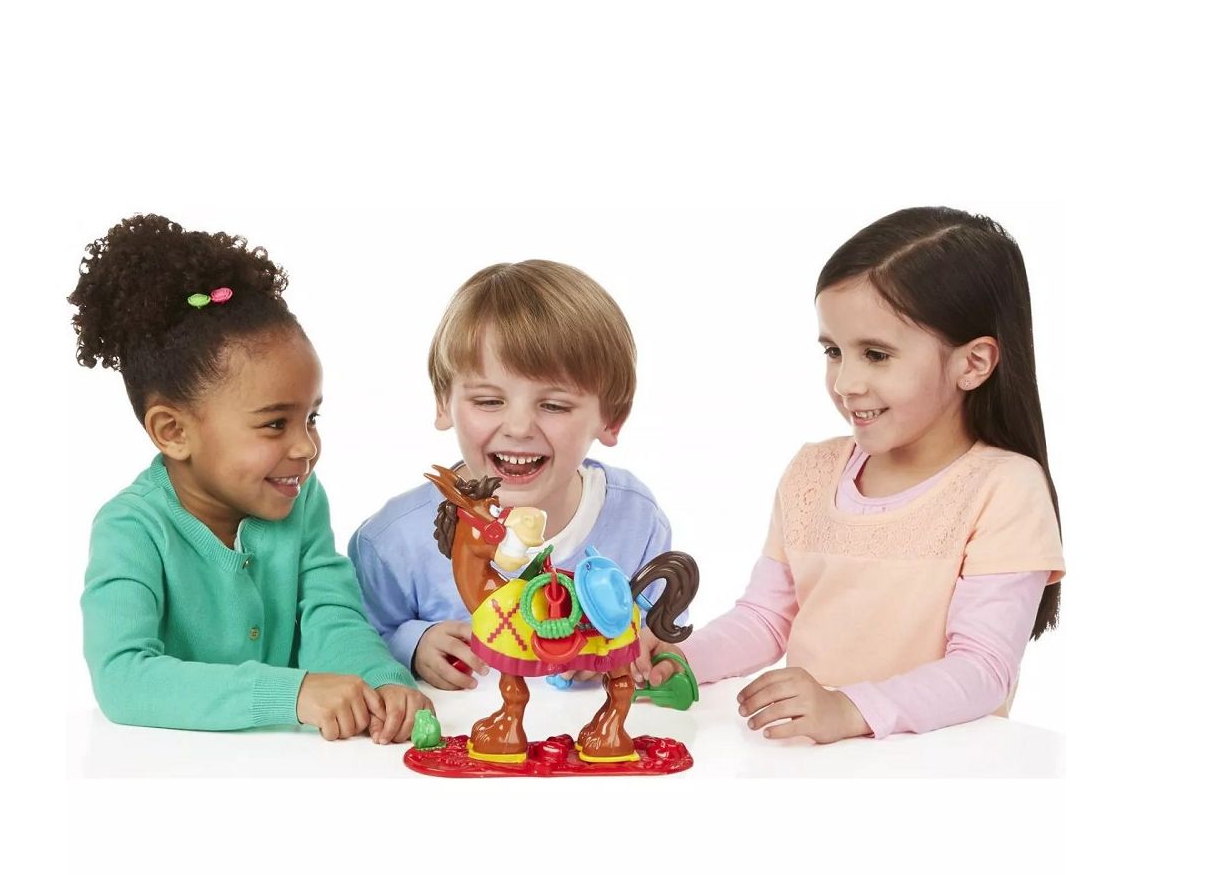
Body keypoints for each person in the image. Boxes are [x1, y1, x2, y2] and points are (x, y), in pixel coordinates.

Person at [641, 207, 1064, 743]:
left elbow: (982, 670)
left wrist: (849, 709)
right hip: (818, 763)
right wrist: (683, 655)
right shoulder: (812, 472)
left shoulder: (1005, 489)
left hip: (940, 768)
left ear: (973, 363)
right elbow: (766, 617)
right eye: (833, 352)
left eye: (876, 354)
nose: (845, 383)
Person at [72, 214, 431, 742]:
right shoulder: (131, 528)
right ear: (174, 431)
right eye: (274, 424)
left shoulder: (300, 499)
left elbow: (331, 613)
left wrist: (380, 680)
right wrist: (294, 693)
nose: (306, 447)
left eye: (312, 417)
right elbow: (123, 678)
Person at [350, 260, 673, 690]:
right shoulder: (392, 541)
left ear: (611, 418)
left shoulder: (637, 521)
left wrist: (638, 651)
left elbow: (662, 637)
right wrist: (411, 643)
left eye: (554, 405)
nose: (519, 428)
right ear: (444, 402)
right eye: (488, 401)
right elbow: (349, 642)